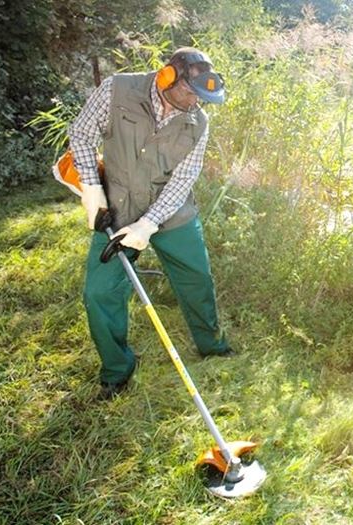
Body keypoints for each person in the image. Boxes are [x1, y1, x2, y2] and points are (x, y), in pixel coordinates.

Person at [68, 47, 233, 400]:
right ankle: (117, 370)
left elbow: (182, 181)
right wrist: (92, 189)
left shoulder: (197, 122)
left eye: (201, 99)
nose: (194, 104)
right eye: (190, 93)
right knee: (99, 293)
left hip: (173, 213)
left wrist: (148, 225)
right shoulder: (117, 90)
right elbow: (81, 135)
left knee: (197, 278)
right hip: (118, 205)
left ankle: (212, 345)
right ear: (167, 76)